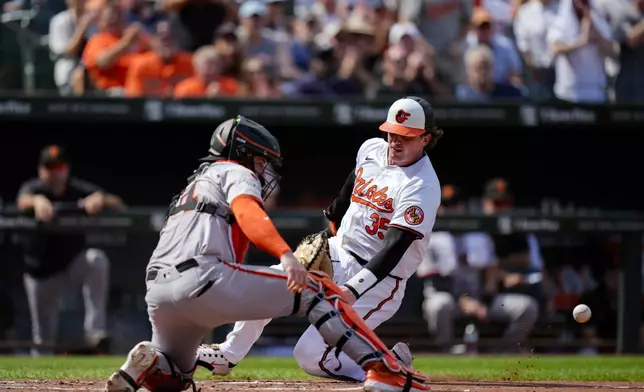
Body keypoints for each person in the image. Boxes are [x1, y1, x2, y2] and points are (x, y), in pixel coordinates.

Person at [105, 115, 430, 392]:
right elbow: (248, 214)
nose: (263, 169)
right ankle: (386, 367)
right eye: (260, 160)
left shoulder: (192, 185)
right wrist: (285, 256)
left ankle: (145, 364)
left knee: (177, 374)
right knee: (311, 289)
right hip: (201, 280)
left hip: (159, 294)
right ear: (241, 153)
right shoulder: (236, 171)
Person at [202, 96, 443, 382]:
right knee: (268, 287)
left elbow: (395, 247)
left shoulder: (422, 186)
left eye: (406, 136)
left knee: (310, 355)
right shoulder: (372, 149)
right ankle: (228, 355)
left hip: (379, 280)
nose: (395, 141)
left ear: (426, 138)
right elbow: (353, 184)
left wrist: (352, 290)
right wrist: (331, 224)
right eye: (391, 132)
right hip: (340, 251)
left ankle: (391, 368)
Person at [16, 145, 125, 356]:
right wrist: (37, 201)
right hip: (41, 273)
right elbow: (21, 201)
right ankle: (38, 384)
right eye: (50, 167)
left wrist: (100, 199)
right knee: (43, 337)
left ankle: (95, 332)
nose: (55, 172)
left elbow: (118, 204)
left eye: (60, 166)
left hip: (72, 264)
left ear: (66, 168)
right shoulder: (34, 189)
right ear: (41, 169)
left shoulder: (76, 189)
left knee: (96, 260)